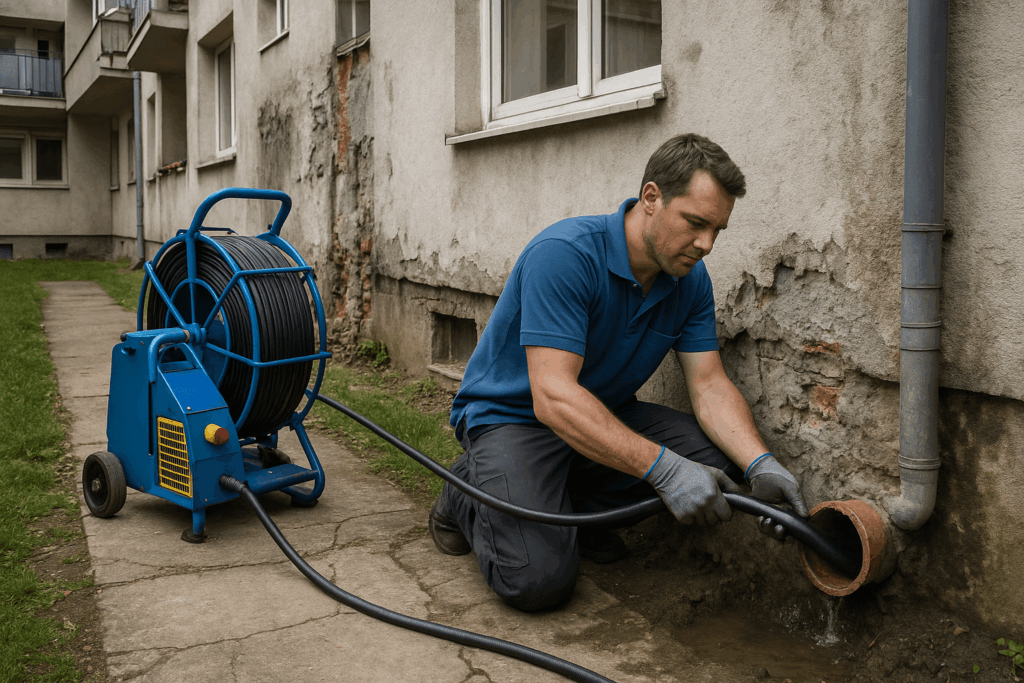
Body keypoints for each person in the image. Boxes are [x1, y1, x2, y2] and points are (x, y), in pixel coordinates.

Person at [429, 133, 808, 612]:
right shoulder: (565, 255)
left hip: (601, 414)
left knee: (721, 460)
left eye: (718, 230)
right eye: (695, 223)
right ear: (652, 198)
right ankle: (465, 489)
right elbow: (552, 397)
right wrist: (664, 468)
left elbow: (709, 384)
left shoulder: (688, 280)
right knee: (537, 581)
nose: (706, 244)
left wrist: (760, 464)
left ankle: (572, 513)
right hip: (515, 419)